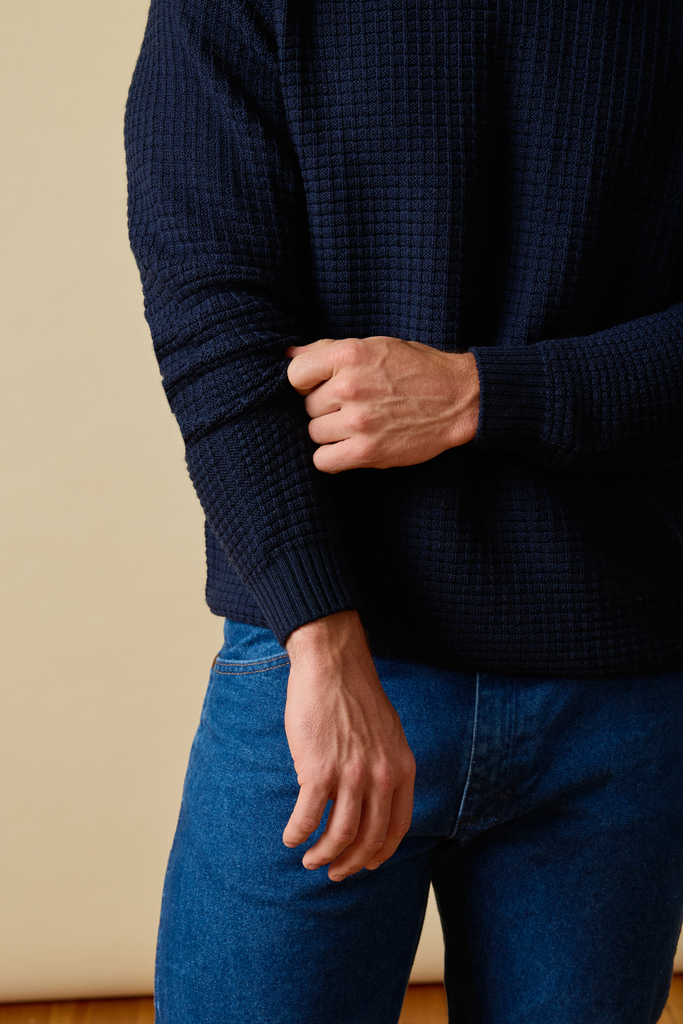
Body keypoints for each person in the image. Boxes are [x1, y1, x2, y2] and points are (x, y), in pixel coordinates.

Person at [124, 2, 683, 1021]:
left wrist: (483, 393)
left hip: (616, 690)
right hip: (325, 665)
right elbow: (213, 321)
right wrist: (321, 641)